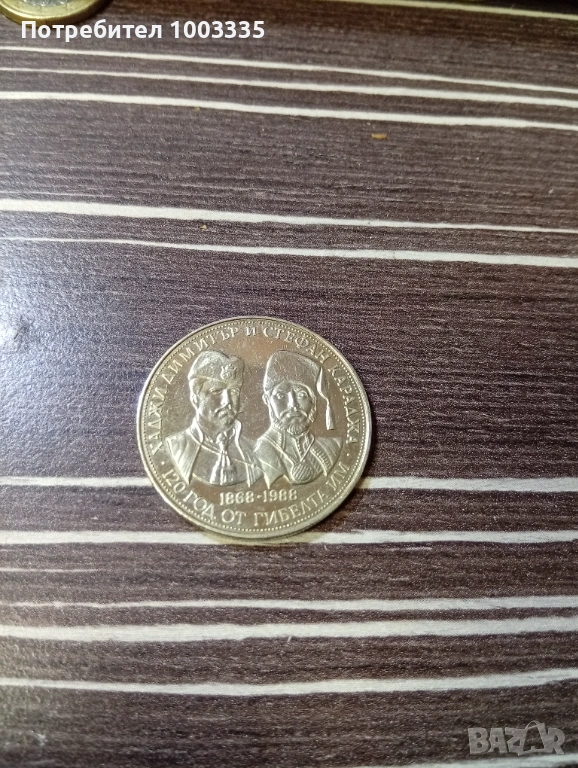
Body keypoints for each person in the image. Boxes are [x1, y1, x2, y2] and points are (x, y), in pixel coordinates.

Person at [165, 350, 261, 487]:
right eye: (216, 391)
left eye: (234, 391)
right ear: (195, 398)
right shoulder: (175, 446)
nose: (227, 401)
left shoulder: (255, 450)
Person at [254, 350, 341, 488]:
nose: (293, 404)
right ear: (267, 400)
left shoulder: (333, 447)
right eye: (281, 396)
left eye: (301, 395)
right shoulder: (255, 452)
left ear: (314, 400)